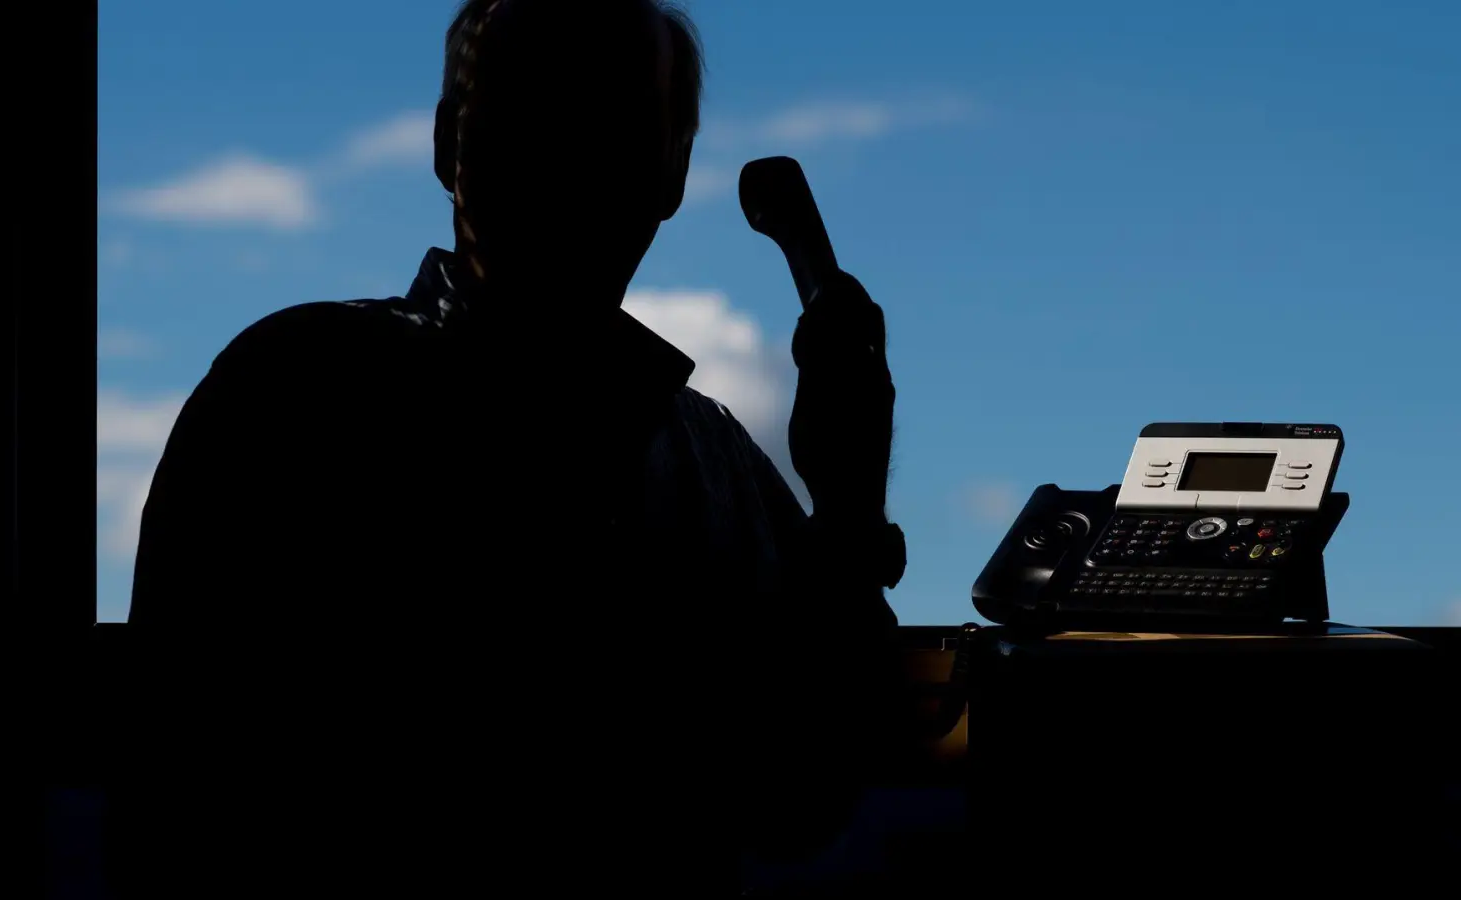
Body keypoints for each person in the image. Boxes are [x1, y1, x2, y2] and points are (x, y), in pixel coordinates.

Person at [119, 0, 908, 894]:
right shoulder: (290, 397)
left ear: (673, 175)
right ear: (449, 142)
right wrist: (843, 510)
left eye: (610, 114)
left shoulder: (715, 459)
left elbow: (803, 794)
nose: (570, 149)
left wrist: (845, 509)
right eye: (536, 103)